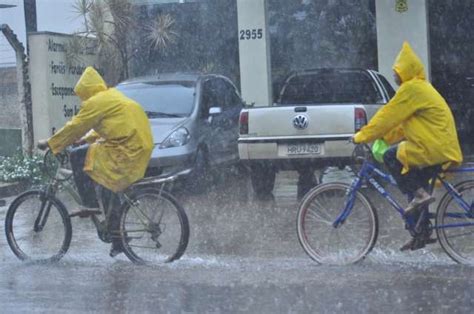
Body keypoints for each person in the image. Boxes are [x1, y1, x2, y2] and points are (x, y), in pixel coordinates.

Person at [353, 42, 463, 251]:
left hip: (433, 147)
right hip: (438, 146)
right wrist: (383, 138)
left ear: (406, 71)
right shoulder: (421, 88)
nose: (394, 76)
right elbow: (403, 125)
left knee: (391, 157)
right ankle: (420, 231)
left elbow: (388, 115)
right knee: (412, 187)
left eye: (397, 71)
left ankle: (420, 197)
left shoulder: (411, 88)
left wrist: (363, 136)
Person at [37, 66, 153, 257]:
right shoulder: (111, 96)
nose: (82, 98)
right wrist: (86, 139)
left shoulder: (95, 102)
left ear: (86, 90)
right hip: (139, 144)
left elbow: (76, 125)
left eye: (82, 94)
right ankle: (118, 240)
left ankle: (89, 204)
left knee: (77, 156)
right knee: (109, 185)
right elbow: (111, 124)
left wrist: (51, 143)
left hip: (125, 148)